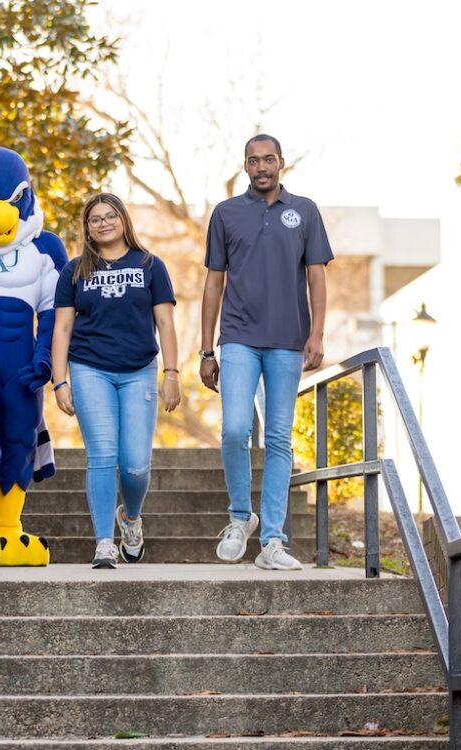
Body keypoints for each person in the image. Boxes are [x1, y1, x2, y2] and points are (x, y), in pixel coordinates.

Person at [201, 134, 332, 571]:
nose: (261, 167)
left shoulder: (305, 211)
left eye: (268, 159)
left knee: (278, 439)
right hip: (237, 336)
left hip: (288, 341)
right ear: (245, 167)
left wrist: (316, 334)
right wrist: (206, 349)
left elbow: (316, 277)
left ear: (281, 163)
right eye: (253, 161)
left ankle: (273, 541)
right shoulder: (226, 213)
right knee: (236, 429)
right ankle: (241, 517)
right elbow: (213, 283)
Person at [51, 193, 181, 569]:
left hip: (139, 370)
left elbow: (166, 323)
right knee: (103, 456)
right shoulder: (74, 271)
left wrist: (171, 373)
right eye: (95, 219)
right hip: (90, 369)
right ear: (87, 229)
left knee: (136, 464)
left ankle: (130, 518)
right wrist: (60, 381)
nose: (104, 223)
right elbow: (61, 328)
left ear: (123, 220)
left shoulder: (150, 265)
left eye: (110, 216)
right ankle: (104, 542)